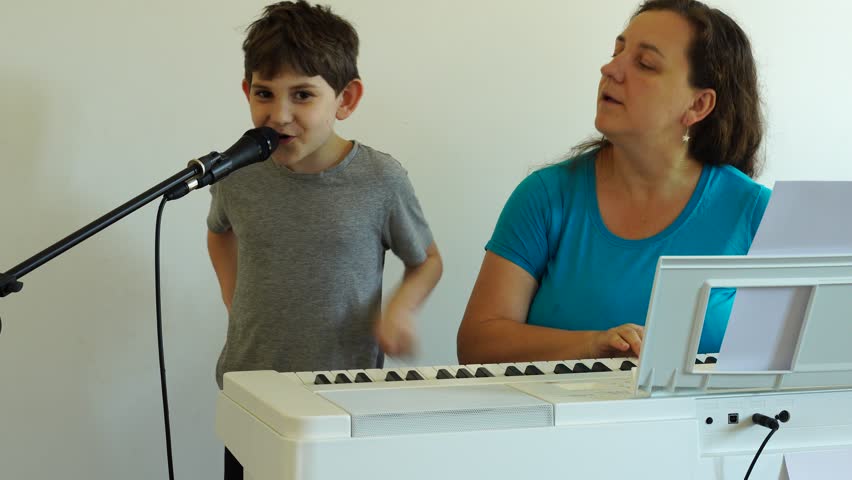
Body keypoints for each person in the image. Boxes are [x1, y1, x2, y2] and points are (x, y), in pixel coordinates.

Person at [457, 0, 770, 365]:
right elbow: (478, 343)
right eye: (617, 51)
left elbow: (789, 367)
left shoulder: (756, 213)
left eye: (645, 64)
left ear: (698, 105)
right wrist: (593, 346)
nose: (610, 69)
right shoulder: (544, 196)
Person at [206, 2, 443, 478]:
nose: (279, 114)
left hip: (343, 398)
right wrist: (236, 299)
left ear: (346, 99)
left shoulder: (381, 179)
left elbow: (427, 261)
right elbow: (219, 234)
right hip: (249, 392)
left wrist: (399, 310)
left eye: (303, 95)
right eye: (264, 93)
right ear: (246, 92)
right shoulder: (236, 174)